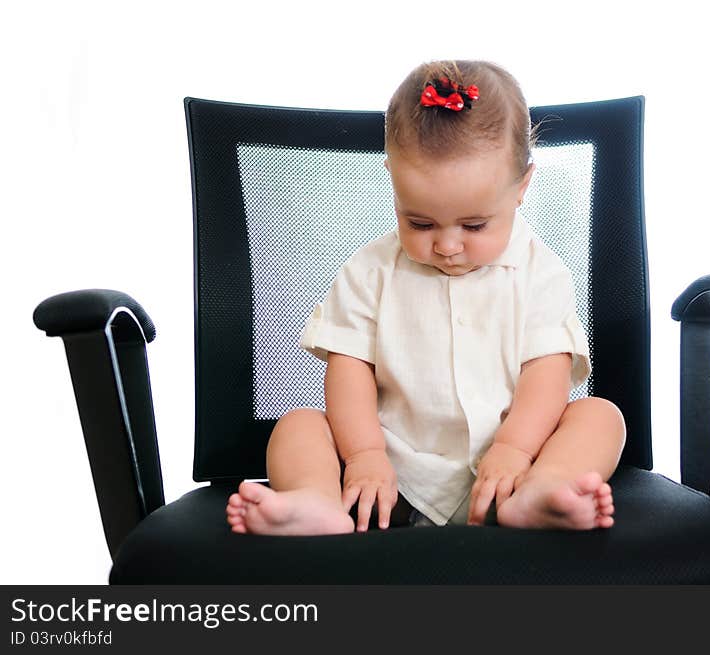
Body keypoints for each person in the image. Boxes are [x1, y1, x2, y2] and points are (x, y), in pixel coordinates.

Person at [226, 59, 626, 536]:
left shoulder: (540, 272)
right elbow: (349, 369)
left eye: (474, 225)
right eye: (419, 223)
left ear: (522, 188)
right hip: (387, 480)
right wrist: (364, 455)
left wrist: (515, 451)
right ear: (393, 184)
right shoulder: (370, 270)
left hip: (507, 472)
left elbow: (547, 373)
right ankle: (316, 499)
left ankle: (547, 489)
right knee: (297, 424)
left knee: (601, 416)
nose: (447, 245)